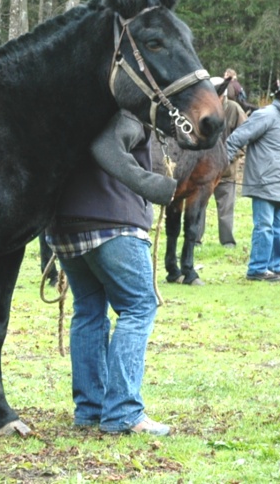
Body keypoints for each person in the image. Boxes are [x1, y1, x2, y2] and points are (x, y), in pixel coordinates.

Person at [45, 109, 177, 436]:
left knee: (88, 312)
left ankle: (90, 410)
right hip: (114, 224)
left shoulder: (71, 106)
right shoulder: (123, 110)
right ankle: (123, 412)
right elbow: (106, 147)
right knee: (138, 307)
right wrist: (157, 186)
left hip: (64, 225)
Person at [225, 78, 280, 281]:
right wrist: (219, 166)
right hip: (263, 183)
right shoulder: (265, 115)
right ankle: (257, 269)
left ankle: (274, 266)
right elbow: (236, 139)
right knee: (264, 226)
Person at [199, 77, 247, 248]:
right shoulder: (202, 109)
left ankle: (227, 242)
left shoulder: (234, 109)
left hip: (227, 171)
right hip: (203, 171)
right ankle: (195, 240)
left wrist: (229, 157)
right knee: (199, 207)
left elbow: (244, 136)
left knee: (226, 209)